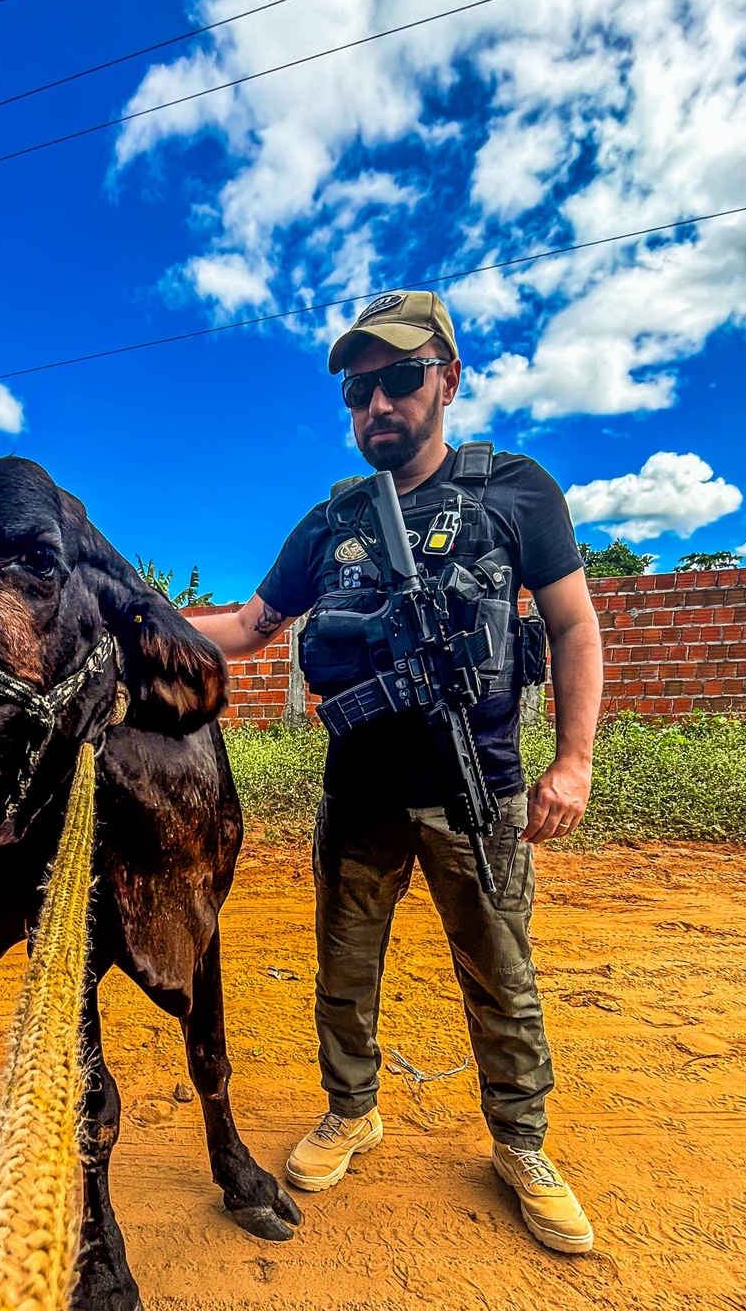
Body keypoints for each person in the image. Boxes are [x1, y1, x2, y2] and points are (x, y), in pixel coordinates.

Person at [196, 289, 603, 1254]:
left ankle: (521, 1143)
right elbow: (249, 632)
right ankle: (351, 1110)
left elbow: (576, 622)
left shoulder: (515, 491)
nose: (376, 404)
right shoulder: (330, 520)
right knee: (344, 974)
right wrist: (128, 623)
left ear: (448, 379)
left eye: (399, 379)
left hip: (482, 790)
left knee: (501, 975)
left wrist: (574, 761)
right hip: (360, 797)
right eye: (358, 388)